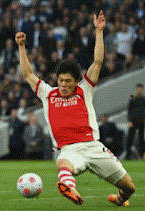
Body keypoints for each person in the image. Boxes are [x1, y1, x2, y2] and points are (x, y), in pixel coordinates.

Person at [15, 10, 135, 207]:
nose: (63, 85)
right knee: (62, 164)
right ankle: (70, 188)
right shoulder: (48, 93)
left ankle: (119, 199)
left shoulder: (84, 89)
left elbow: (97, 62)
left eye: (68, 81)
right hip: (69, 149)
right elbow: (28, 74)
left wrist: (99, 32)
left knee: (130, 187)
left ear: (76, 81)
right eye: (60, 80)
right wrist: (21, 47)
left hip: (93, 146)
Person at [126, 83, 145, 159]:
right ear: (136, 89)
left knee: (141, 139)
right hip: (133, 122)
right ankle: (128, 156)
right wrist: (129, 121)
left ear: (142, 89)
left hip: (141, 121)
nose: (139, 90)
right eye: (138, 88)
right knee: (130, 139)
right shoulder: (132, 99)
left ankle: (141, 155)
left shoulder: (144, 99)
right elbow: (129, 111)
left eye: (140, 89)